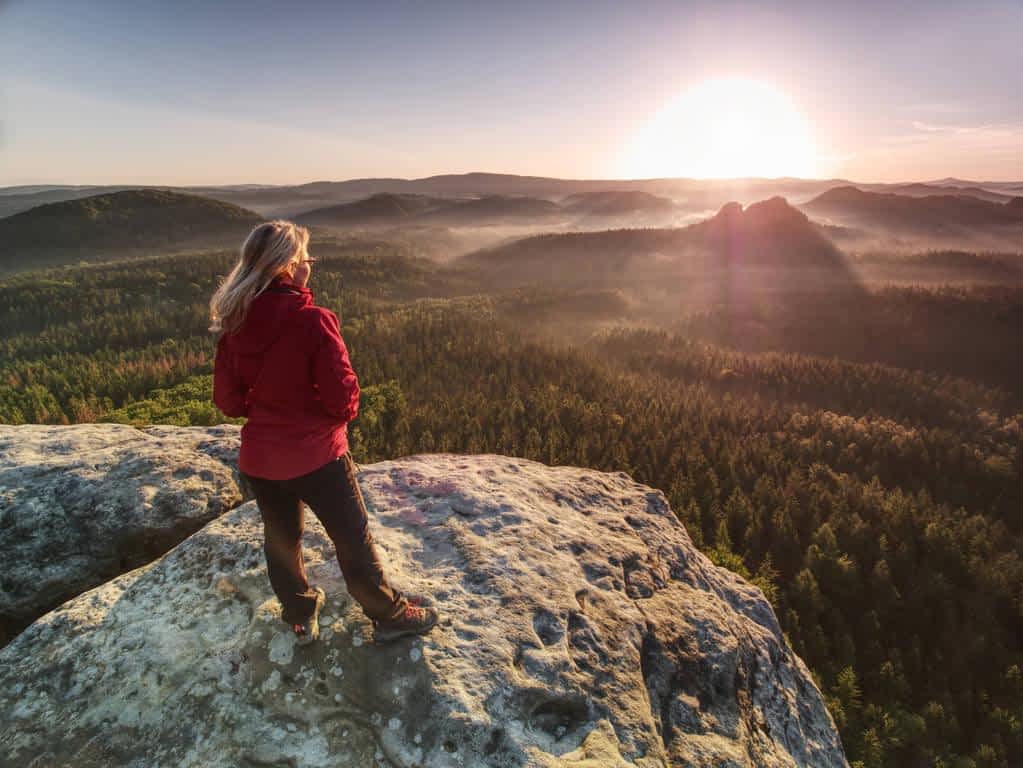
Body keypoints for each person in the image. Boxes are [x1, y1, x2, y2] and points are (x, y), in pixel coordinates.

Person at [210, 220, 438, 644]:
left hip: (261, 462)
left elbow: (229, 403)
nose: (309, 267)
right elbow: (344, 400)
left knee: (282, 541)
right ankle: (388, 615)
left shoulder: (233, 325)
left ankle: (299, 618)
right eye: (306, 259)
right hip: (319, 458)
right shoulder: (313, 321)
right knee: (352, 538)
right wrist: (321, 419)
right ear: (289, 266)